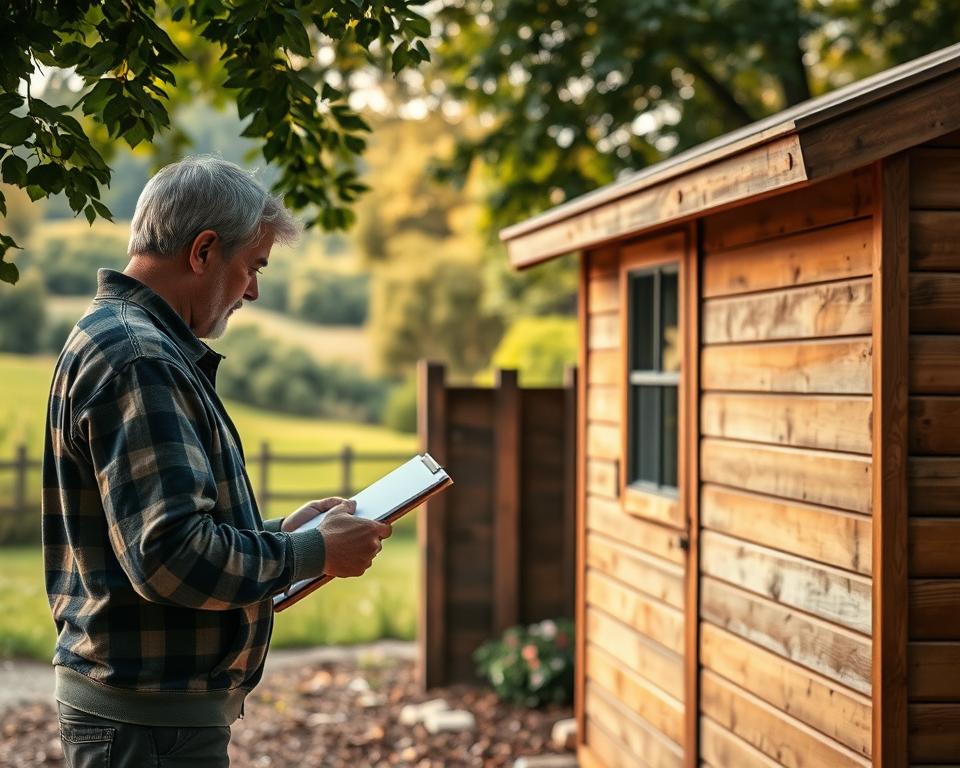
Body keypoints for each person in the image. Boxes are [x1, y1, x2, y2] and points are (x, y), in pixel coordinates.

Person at [41, 156, 392, 767]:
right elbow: (171, 557)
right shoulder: (140, 359)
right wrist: (314, 553)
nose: (253, 290)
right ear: (203, 251)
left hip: (146, 723)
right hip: (148, 731)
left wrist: (281, 534)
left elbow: (154, 531)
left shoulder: (124, 339)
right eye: (251, 266)